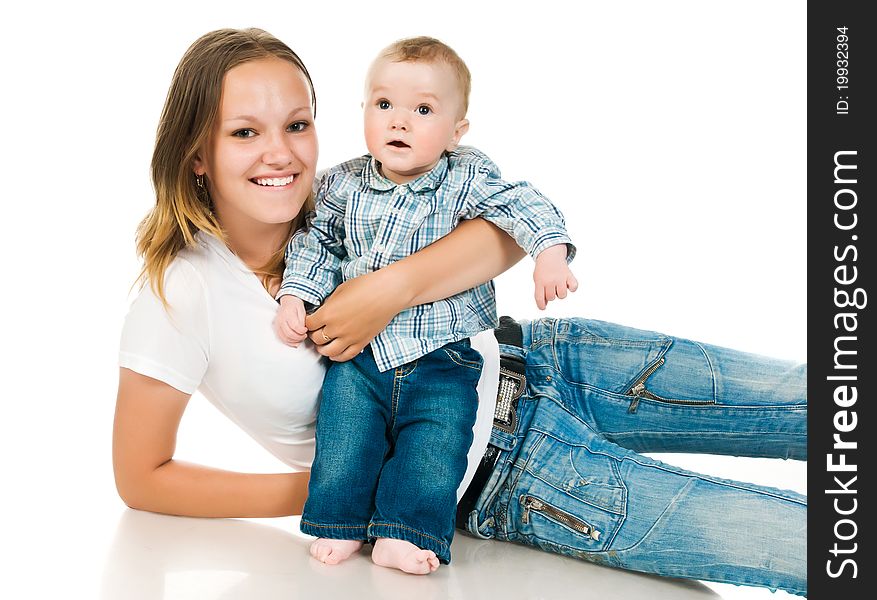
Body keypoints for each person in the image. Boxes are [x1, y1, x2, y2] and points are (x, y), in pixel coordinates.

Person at [114, 28, 807, 596]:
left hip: (546, 358)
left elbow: (500, 234)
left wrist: (385, 290)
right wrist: (339, 489)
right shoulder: (180, 292)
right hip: (508, 474)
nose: (280, 154)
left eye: (297, 124)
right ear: (195, 153)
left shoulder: (339, 194)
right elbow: (141, 476)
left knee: (812, 398)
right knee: (795, 540)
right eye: (243, 133)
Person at [272, 36, 576, 574]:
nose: (399, 122)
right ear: (363, 111)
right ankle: (338, 524)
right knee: (345, 440)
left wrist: (548, 253)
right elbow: (317, 243)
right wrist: (298, 293)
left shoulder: (465, 177)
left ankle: (406, 533)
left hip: (443, 355)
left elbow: (521, 203)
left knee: (434, 447)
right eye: (384, 105)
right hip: (359, 357)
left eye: (423, 110)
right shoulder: (341, 184)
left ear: (457, 132)